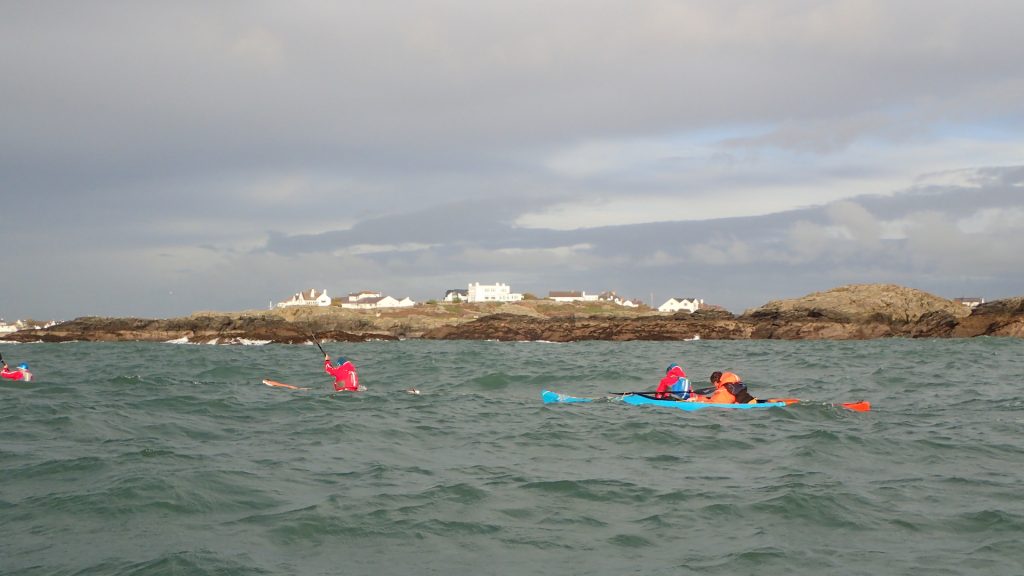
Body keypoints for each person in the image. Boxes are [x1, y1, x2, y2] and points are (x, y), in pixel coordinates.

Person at [689, 371, 756, 404]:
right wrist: (698, 398)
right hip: (751, 401)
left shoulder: (723, 390)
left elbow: (714, 402)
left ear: (715, 383)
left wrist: (697, 399)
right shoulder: (735, 384)